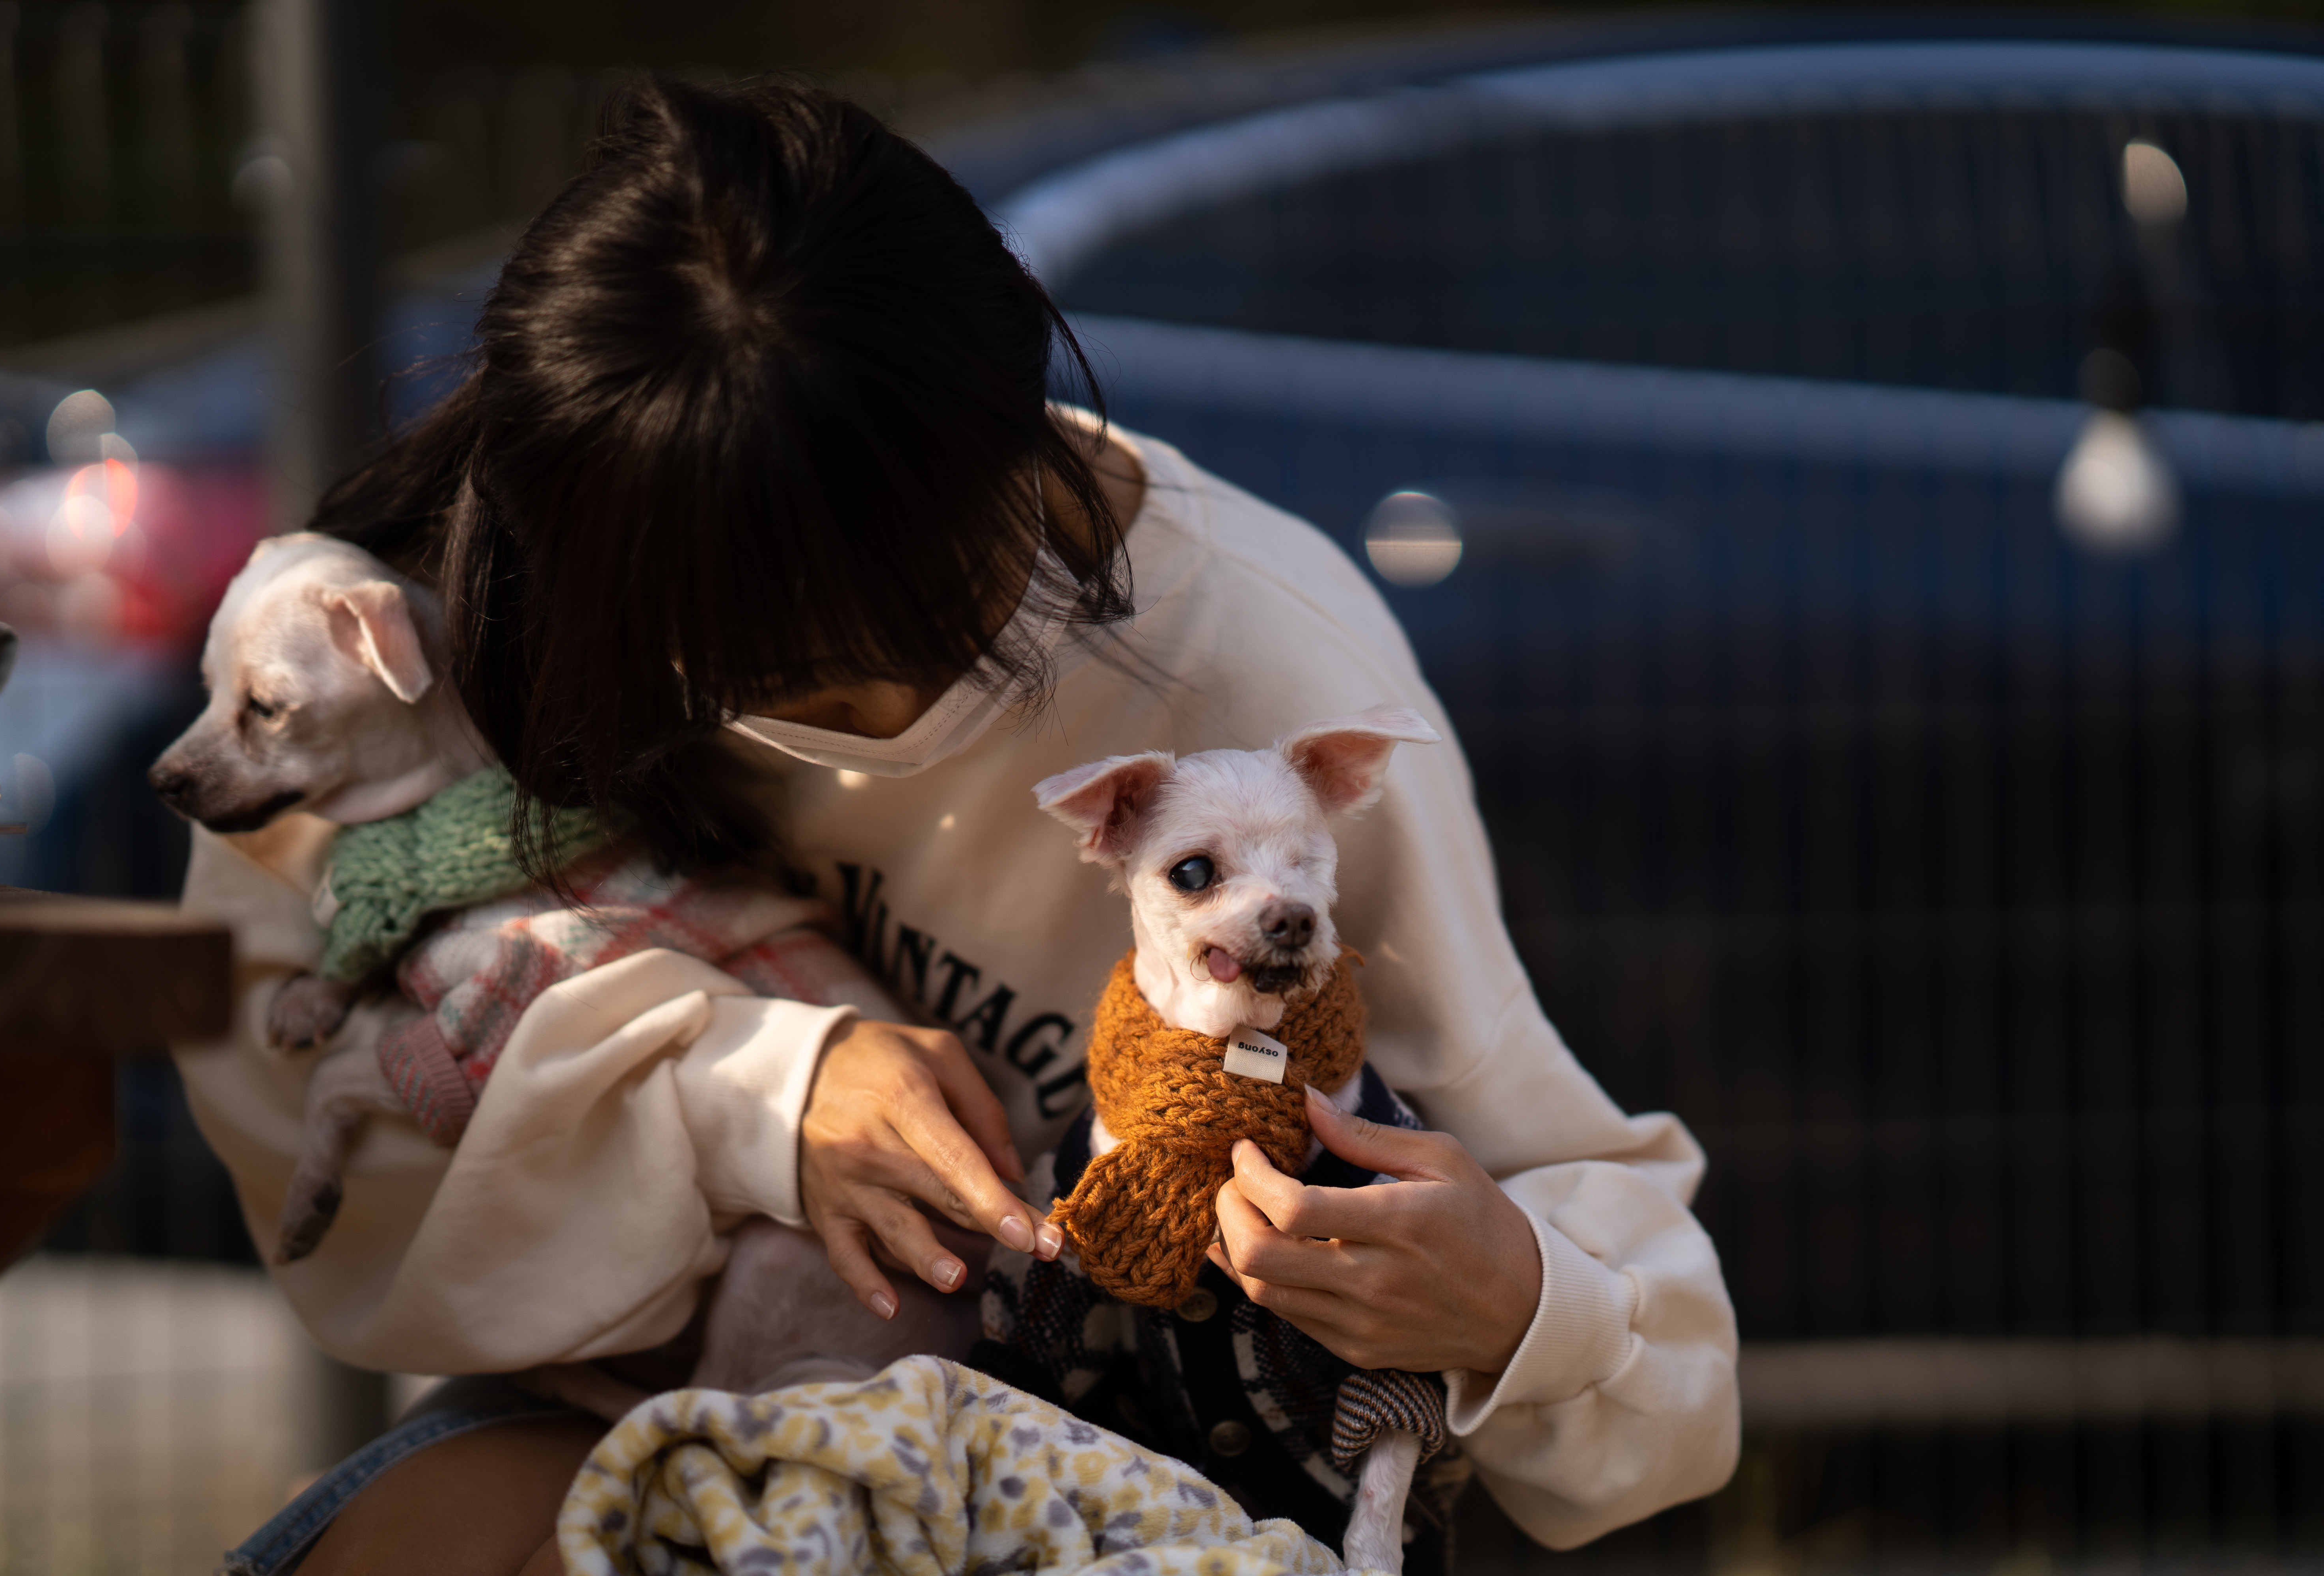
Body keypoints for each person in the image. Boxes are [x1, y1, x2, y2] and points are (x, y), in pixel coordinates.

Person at [179, 75, 1737, 1576]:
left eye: (892, 649)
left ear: (1014, 450)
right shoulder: (452, 610)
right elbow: (287, 1069)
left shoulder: (1262, 686)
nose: (851, 721)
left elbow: (1655, 1347)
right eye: (738, 675)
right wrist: (757, 1095)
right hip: (630, 1375)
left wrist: (1520, 1308)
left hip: (1114, 1453)